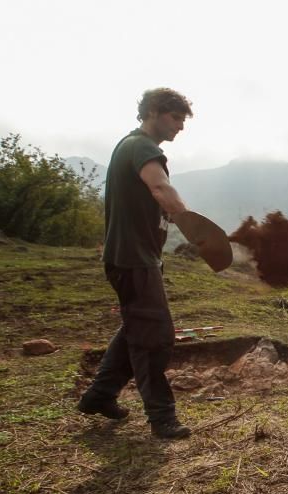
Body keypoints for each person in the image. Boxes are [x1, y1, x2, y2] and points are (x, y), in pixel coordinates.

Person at [77, 88, 195, 439]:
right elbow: (160, 188)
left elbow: (152, 200)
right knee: (155, 337)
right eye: (176, 118)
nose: (180, 127)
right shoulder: (142, 147)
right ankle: (162, 418)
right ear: (155, 112)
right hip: (132, 260)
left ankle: (99, 396)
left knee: (136, 327)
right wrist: (191, 224)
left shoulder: (128, 146)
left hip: (134, 258)